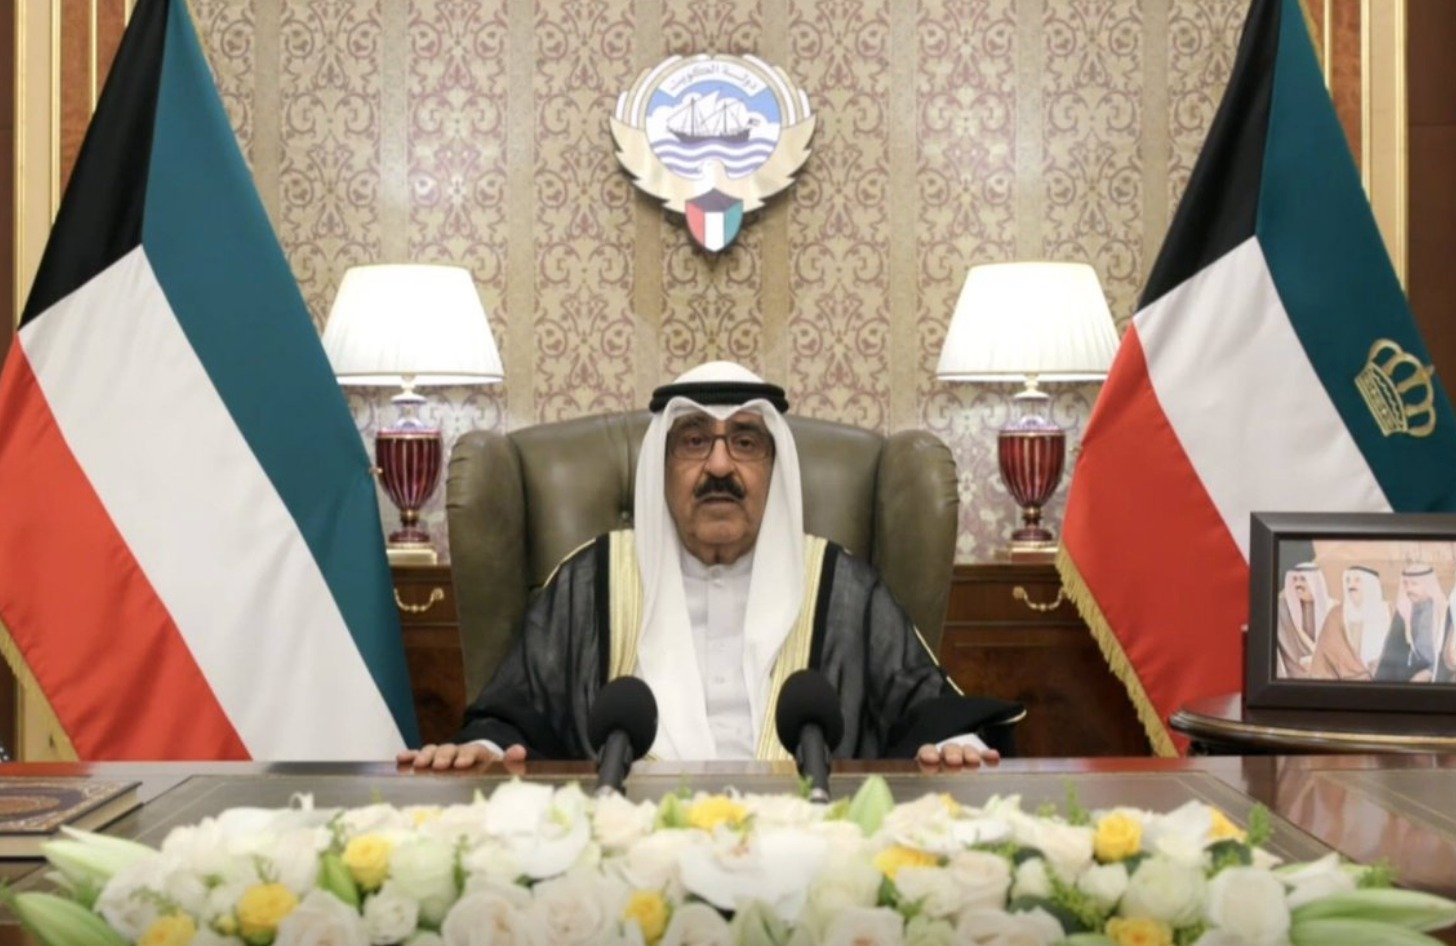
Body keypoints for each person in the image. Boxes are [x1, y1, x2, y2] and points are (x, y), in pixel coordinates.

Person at [399, 362, 1020, 770]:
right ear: (661, 467)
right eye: (694, 441)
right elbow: (516, 712)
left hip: (807, 849)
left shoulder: (840, 586)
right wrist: (483, 749)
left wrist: (954, 747)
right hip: (628, 852)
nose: (720, 466)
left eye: (745, 442)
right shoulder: (593, 581)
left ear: (774, 470)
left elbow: (923, 706)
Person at [1308, 566, 1388, 681]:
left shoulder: (1387, 613)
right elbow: (1322, 660)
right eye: (1348, 580)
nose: (1351, 585)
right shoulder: (1335, 615)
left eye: (1357, 580)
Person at [1375, 564, 1447, 682]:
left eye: (1414, 584)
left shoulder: (1443, 612)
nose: (1409, 589)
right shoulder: (1403, 613)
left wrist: (1430, 672)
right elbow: (1390, 652)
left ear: (1428, 585)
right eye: (1405, 584)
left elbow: (1449, 655)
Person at [1276, 563, 1330, 679]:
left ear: (1315, 582)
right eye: (1294, 579)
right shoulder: (1280, 610)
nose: (1297, 584)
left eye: (1303, 579)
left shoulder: (1333, 609)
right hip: (1291, 680)